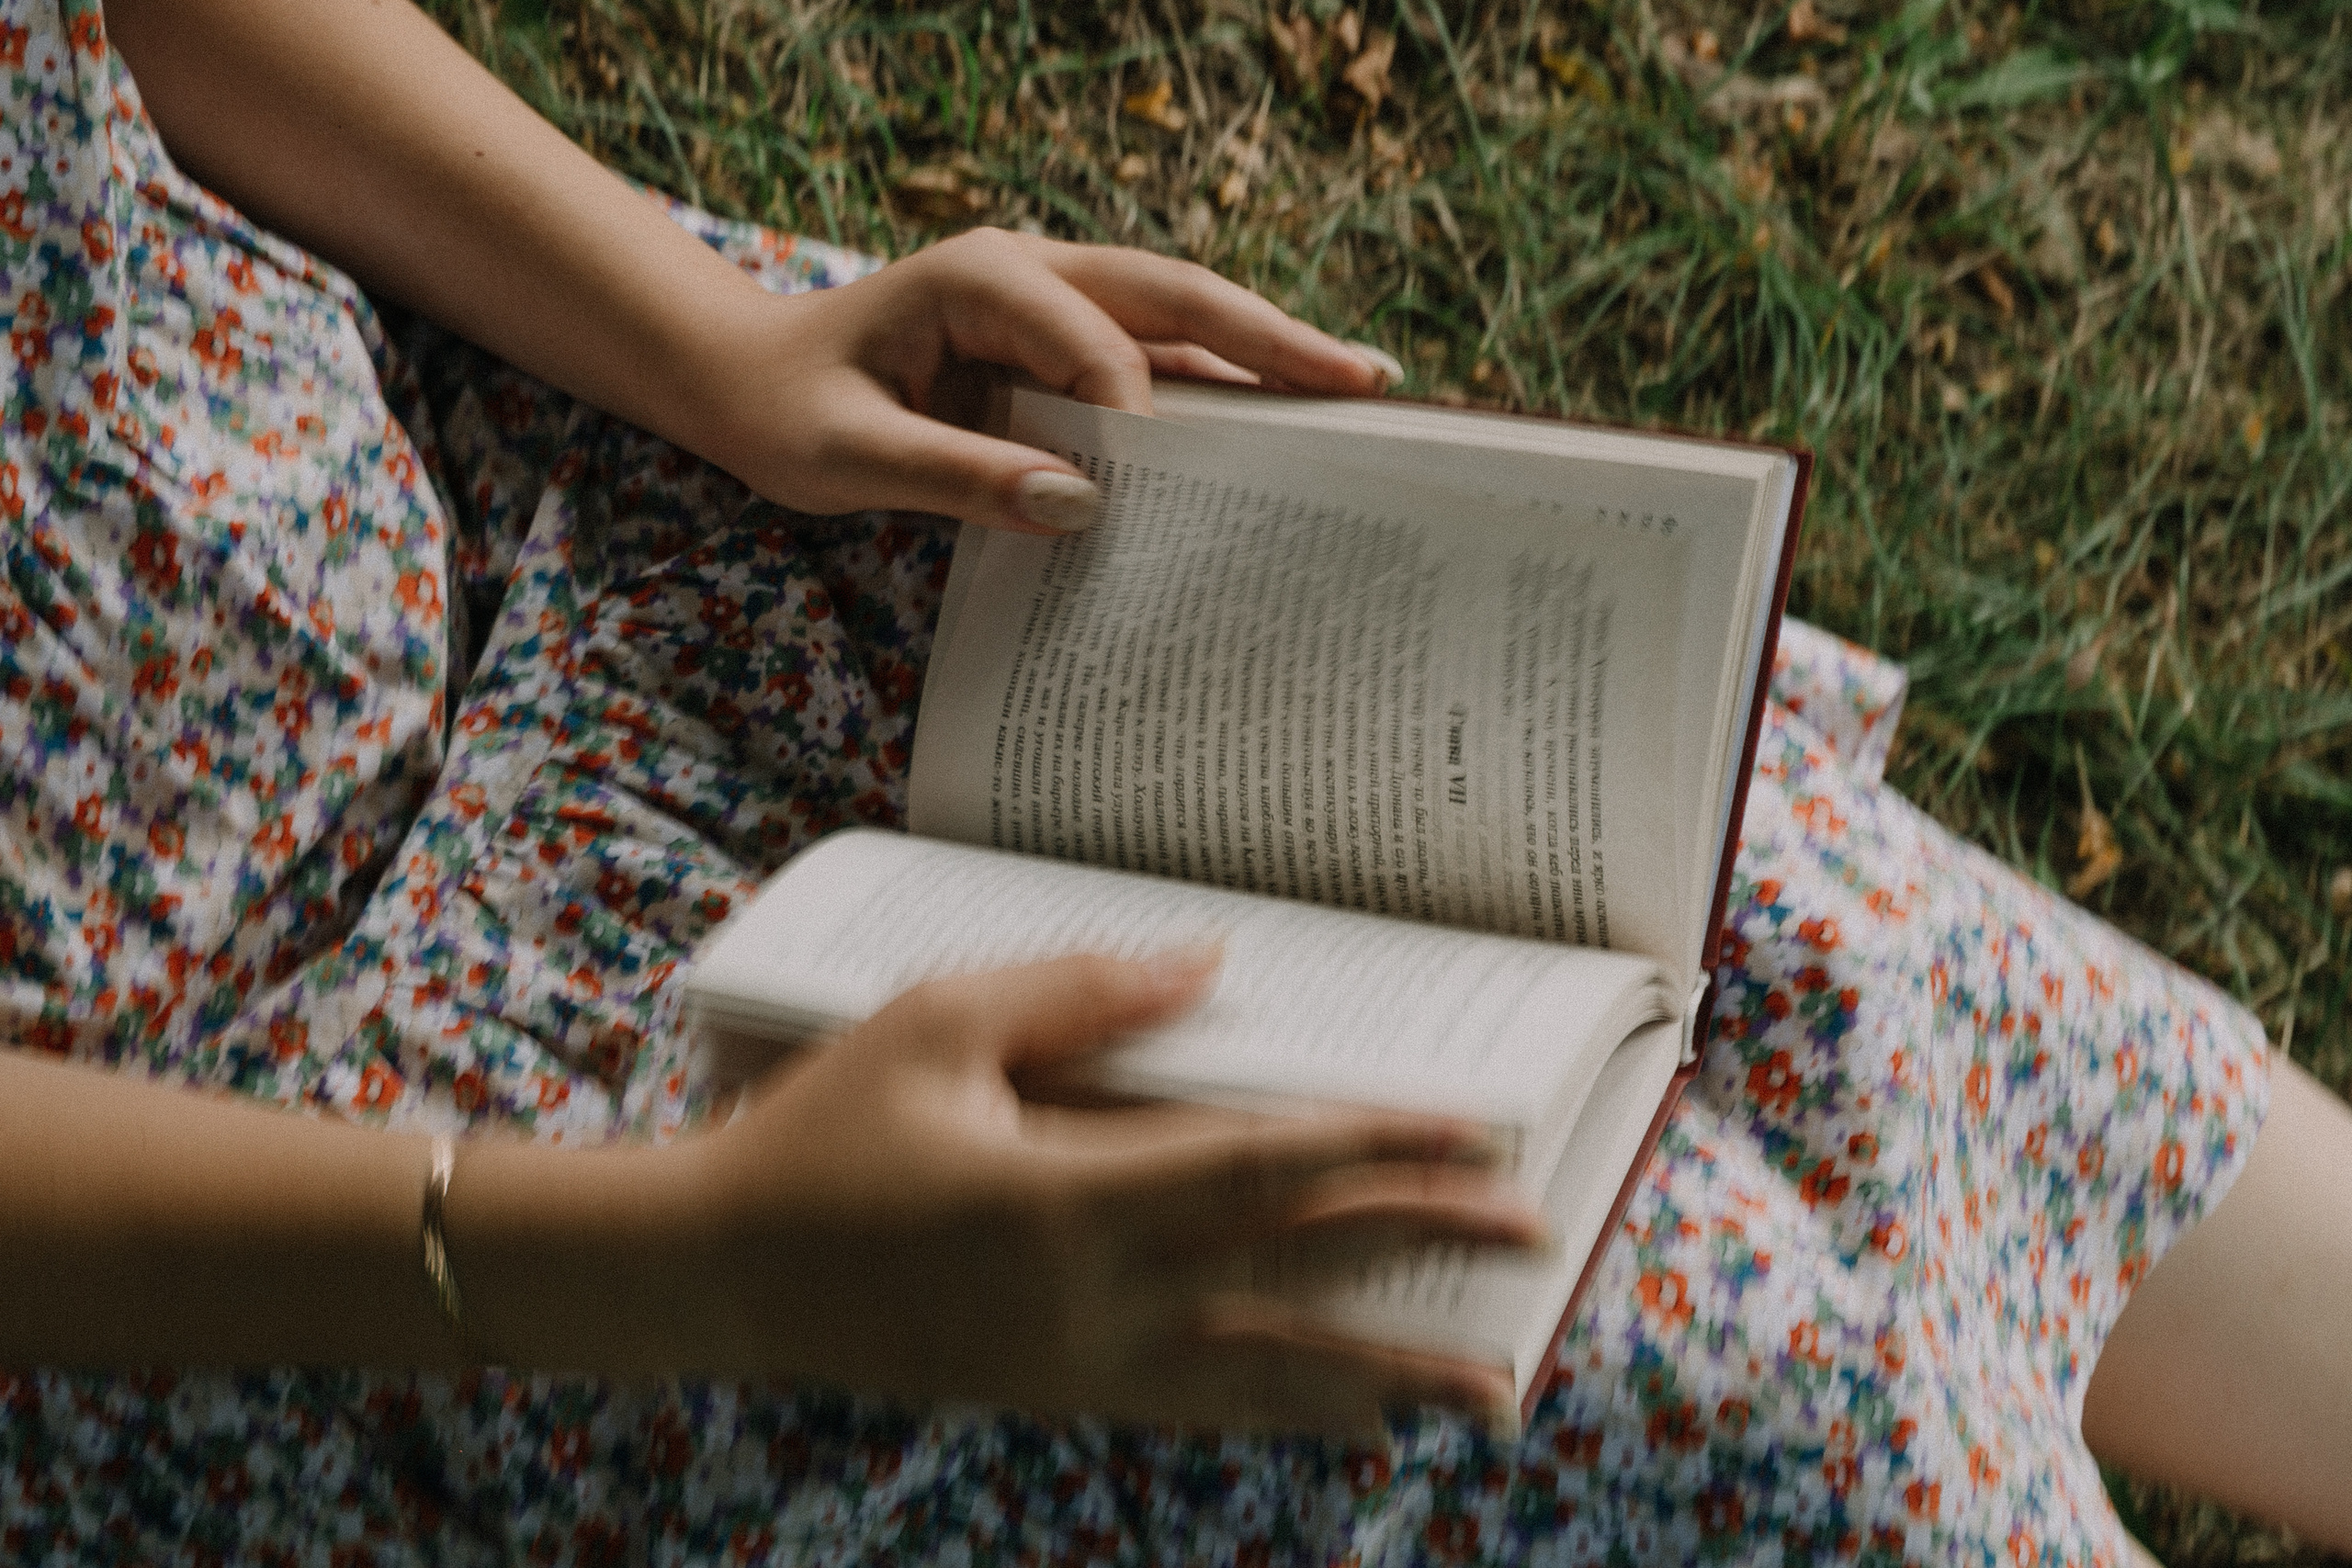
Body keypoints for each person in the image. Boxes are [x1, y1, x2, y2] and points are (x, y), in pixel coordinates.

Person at [0, 0, 2345, 1562]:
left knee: (1733, 891)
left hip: (483, 470)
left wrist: (709, 343)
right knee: (1620, 1356)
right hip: (256, 1170)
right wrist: (681, 1261)